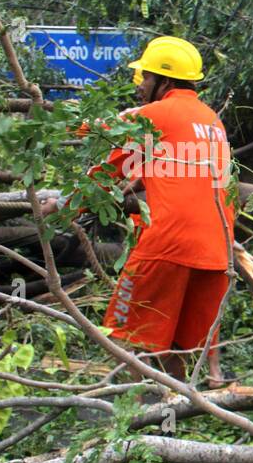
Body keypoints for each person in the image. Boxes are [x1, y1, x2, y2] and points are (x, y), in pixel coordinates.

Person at [45, 35, 235, 383]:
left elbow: (107, 164)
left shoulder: (154, 115)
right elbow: (181, 171)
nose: (141, 84)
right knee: (179, 342)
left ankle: (130, 409)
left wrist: (62, 207)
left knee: (126, 334)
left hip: (168, 241)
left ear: (164, 79)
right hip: (218, 248)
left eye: (145, 76)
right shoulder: (211, 121)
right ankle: (180, 403)